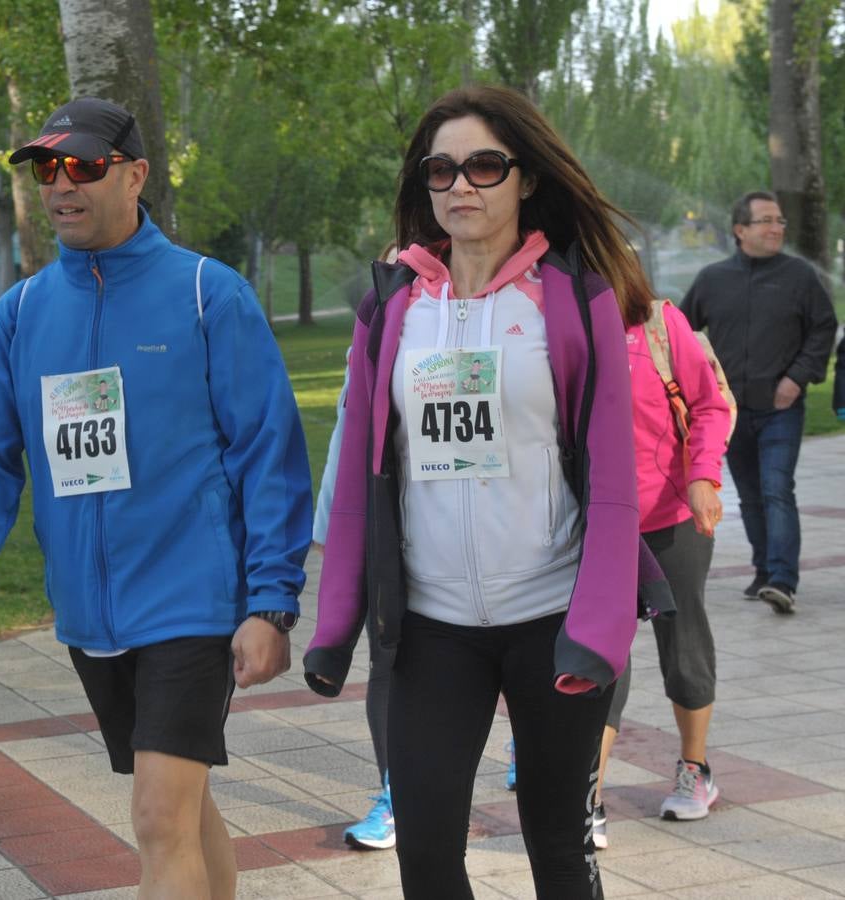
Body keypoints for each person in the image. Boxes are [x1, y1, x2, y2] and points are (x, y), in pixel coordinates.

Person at [0, 96, 311, 899]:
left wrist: (270, 602)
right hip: (90, 614)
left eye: (85, 166)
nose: (63, 184)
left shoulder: (211, 295)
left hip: (193, 603)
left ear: (134, 175)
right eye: (47, 168)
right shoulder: (23, 313)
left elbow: (268, 456)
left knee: (157, 820)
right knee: (185, 813)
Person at [304, 85, 647, 899]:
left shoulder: (573, 297)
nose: (461, 185)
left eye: (484, 166)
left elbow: (612, 477)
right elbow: (359, 476)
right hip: (432, 628)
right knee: (425, 859)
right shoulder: (390, 309)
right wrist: (333, 624)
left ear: (525, 179)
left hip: (550, 618)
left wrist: (598, 626)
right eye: (442, 169)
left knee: (559, 854)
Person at [589, 299, 732, 849]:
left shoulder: (656, 322)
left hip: (672, 517)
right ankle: (590, 799)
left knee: (684, 645)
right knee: (602, 655)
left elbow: (710, 405)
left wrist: (703, 477)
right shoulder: (557, 317)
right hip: (600, 522)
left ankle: (695, 768)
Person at [680, 192, 837, 613]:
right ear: (740, 230)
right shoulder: (712, 279)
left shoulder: (800, 277)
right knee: (750, 495)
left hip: (781, 408)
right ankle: (764, 570)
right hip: (730, 412)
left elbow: (824, 328)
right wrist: (702, 386)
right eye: (766, 220)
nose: (777, 228)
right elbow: (681, 335)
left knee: (776, 488)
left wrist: (797, 377)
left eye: (780, 220)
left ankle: (783, 578)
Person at [313, 352, 397, 851]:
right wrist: (332, 524)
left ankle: (525, 743)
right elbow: (349, 432)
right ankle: (398, 794)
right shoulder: (378, 321)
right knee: (387, 659)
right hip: (385, 524)